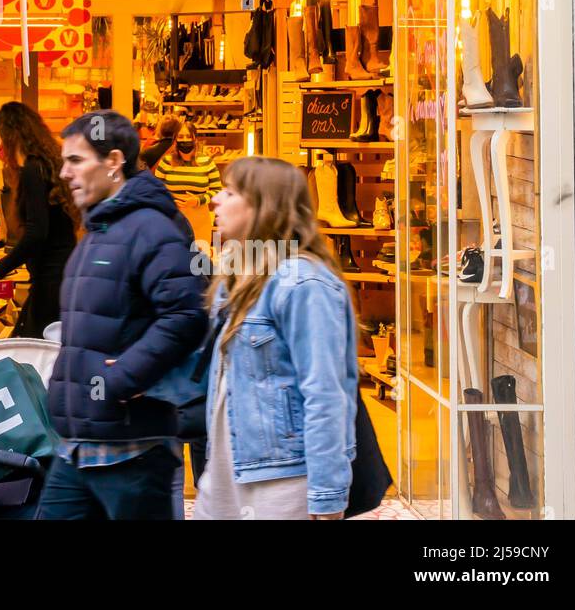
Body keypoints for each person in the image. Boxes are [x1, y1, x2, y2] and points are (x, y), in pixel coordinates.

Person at [37, 110, 208, 520]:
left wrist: (123, 377)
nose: (64, 173)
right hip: (78, 445)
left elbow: (187, 314)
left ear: (113, 162)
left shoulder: (152, 229)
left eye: (76, 160)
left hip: (132, 449)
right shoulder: (100, 231)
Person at [193, 156, 357, 521]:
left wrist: (327, 494)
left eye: (229, 192)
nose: (215, 200)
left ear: (263, 205)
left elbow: (326, 393)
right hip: (226, 473)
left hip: (281, 480)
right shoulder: (238, 280)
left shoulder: (303, 283)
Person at [0, 102, 78, 338]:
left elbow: (36, 233)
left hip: (51, 281)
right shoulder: (45, 167)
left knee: (31, 351)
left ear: (11, 135)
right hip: (59, 276)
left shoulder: (33, 170)